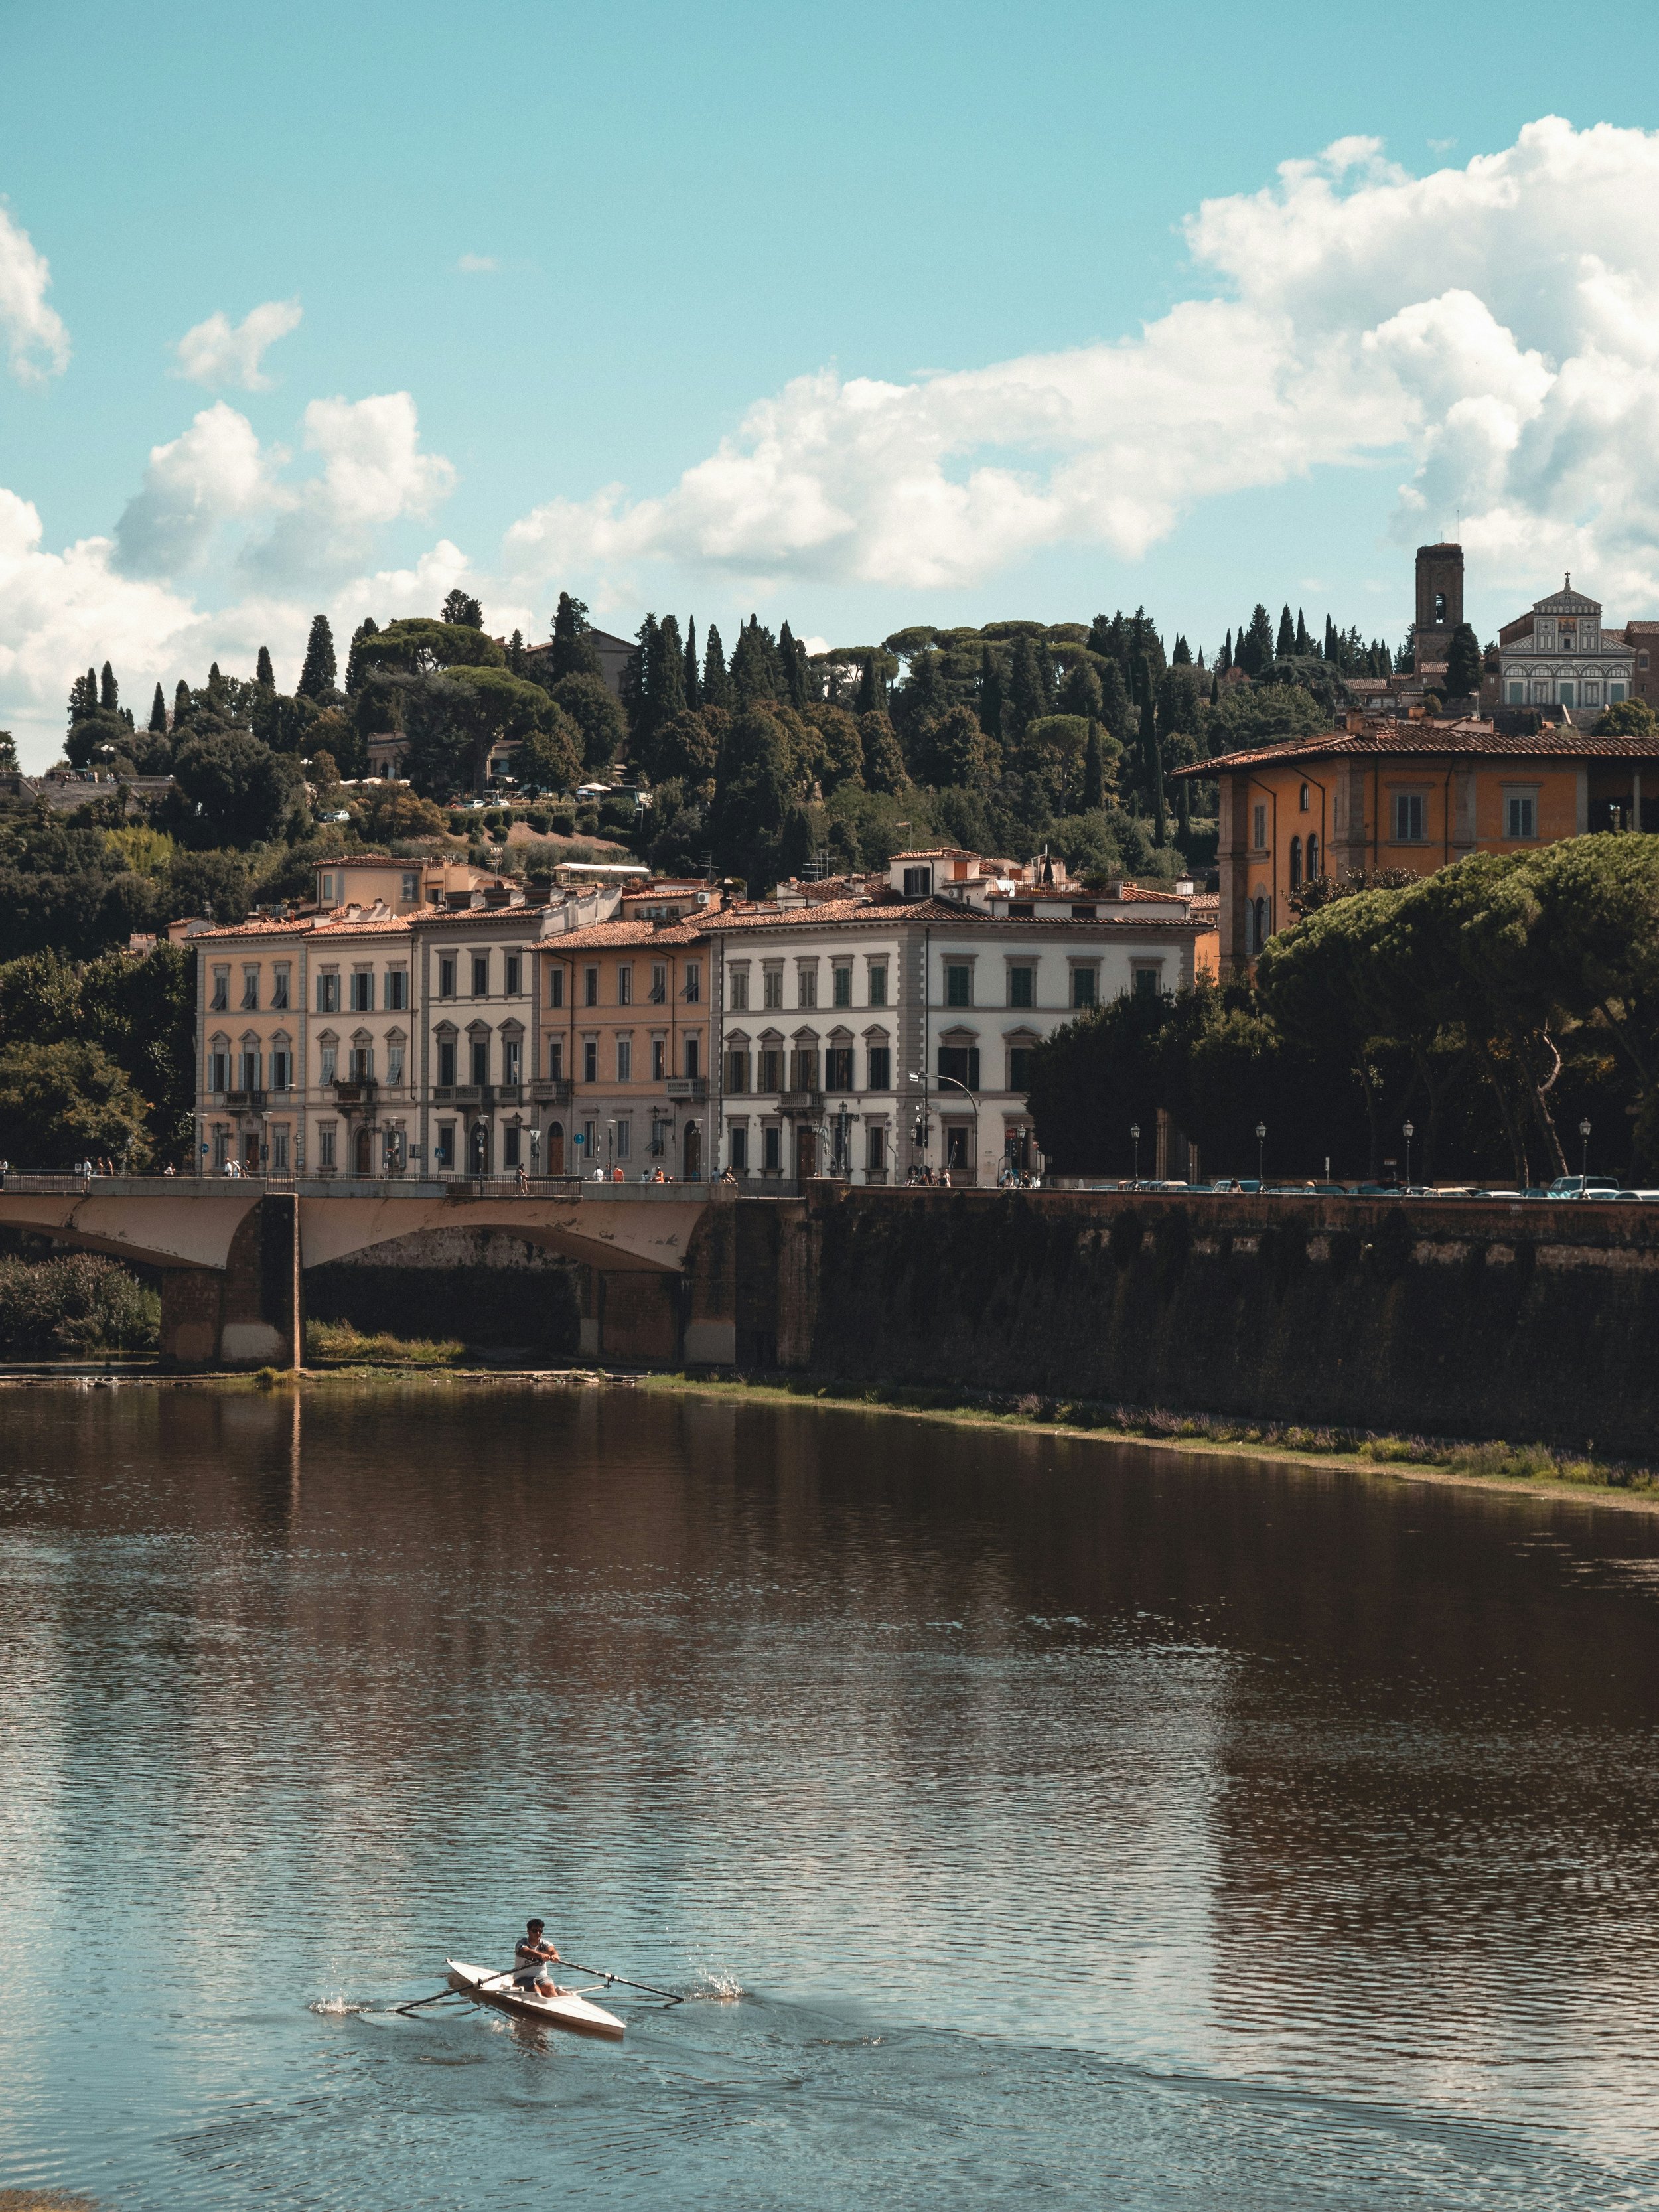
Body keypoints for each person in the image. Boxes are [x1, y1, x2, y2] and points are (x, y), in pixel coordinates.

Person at [513, 1917, 566, 1996]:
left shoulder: (545, 1944)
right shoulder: (521, 1944)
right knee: (536, 1990)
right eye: (535, 1931)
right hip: (523, 1978)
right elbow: (526, 1951)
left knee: (550, 1988)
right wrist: (540, 1955)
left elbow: (552, 1950)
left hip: (542, 1978)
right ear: (528, 1932)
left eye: (540, 1931)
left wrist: (555, 1955)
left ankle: (555, 2001)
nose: (538, 1933)